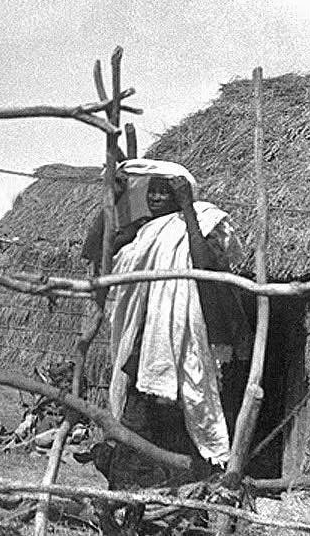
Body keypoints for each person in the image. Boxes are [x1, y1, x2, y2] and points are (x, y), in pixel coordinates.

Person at [82, 159, 249, 533]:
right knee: (132, 443)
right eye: (152, 189)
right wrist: (116, 195)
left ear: (182, 194)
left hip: (186, 353)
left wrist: (188, 207)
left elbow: (206, 269)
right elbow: (96, 253)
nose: (156, 196)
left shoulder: (204, 224)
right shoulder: (144, 231)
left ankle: (182, 516)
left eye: (166, 190)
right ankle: (125, 516)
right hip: (145, 358)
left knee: (183, 447)